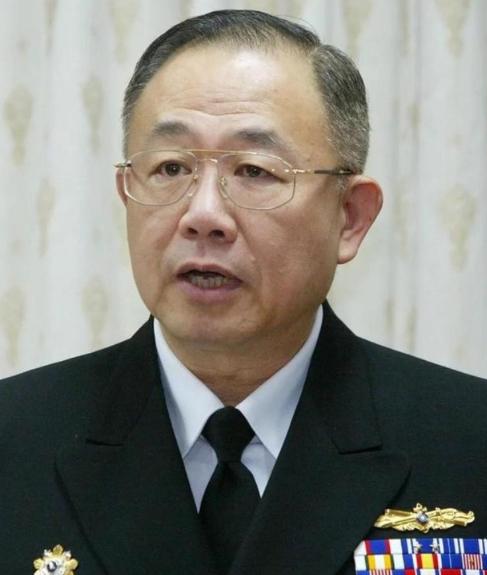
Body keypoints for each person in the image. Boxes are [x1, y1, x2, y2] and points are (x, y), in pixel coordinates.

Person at [1, 9, 486, 575]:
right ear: (127, 193)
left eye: (255, 170)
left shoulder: (469, 442)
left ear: (350, 218)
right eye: (171, 168)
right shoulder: (15, 439)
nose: (203, 215)